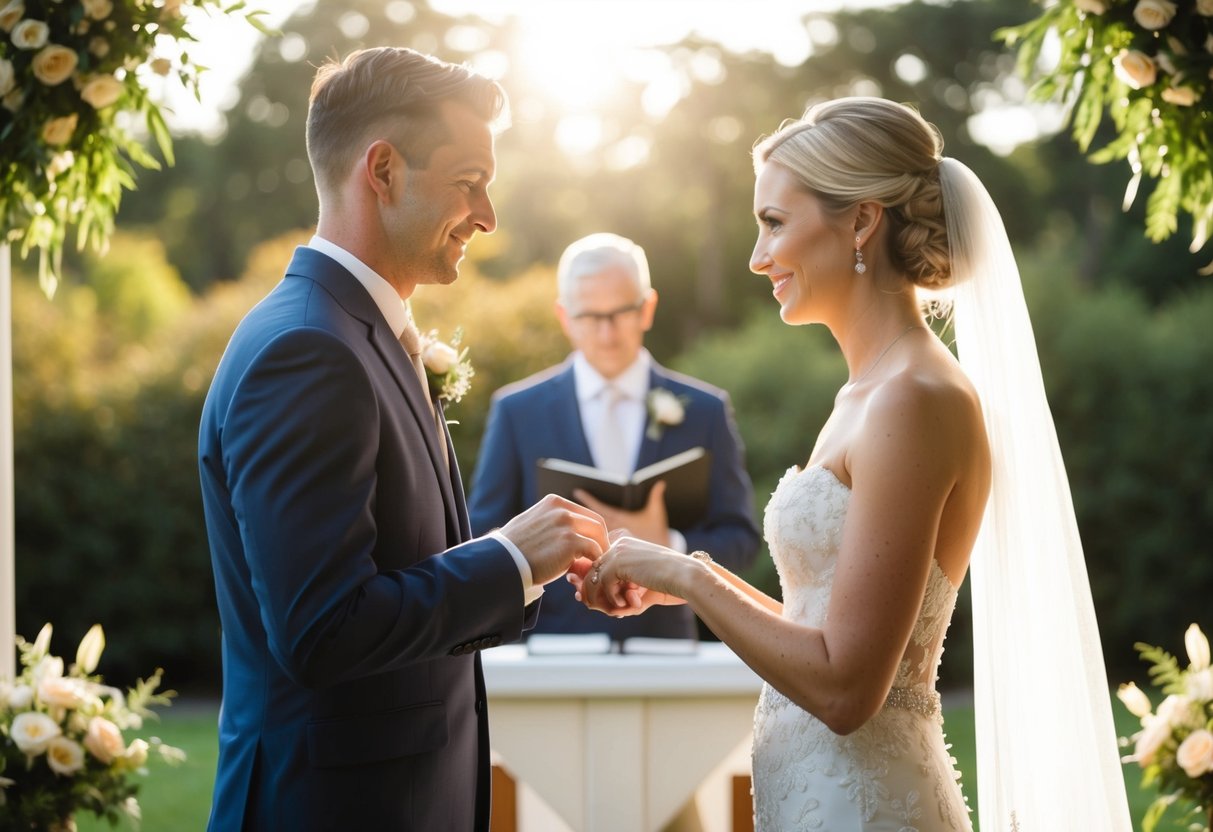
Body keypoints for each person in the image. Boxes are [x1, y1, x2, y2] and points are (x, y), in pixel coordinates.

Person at [576, 98, 1132, 830]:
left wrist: (691, 573)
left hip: (867, 805)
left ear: (861, 221)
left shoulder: (913, 398)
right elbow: (834, 631)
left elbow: (847, 689)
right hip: (817, 797)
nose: (756, 256)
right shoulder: (864, 393)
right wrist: (684, 586)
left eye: (774, 222)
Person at [197, 47, 609, 832]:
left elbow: (401, 568)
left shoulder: (363, 334)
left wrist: (530, 571)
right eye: (468, 182)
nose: (487, 215)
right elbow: (324, 630)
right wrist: (512, 558)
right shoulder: (307, 351)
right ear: (381, 171)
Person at [468, 232, 761, 643]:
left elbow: (743, 541)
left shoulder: (705, 410)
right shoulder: (516, 411)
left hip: (664, 651)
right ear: (564, 316)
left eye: (621, 312)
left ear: (647, 308)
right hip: (554, 648)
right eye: (590, 316)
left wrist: (666, 543)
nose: (607, 333)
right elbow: (483, 538)